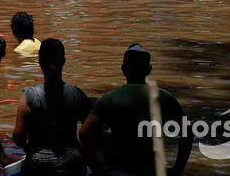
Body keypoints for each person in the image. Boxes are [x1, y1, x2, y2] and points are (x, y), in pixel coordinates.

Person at [79, 44, 193, 176]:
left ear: (123, 69)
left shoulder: (109, 98)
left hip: (119, 170)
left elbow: (84, 132)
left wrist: (96, 169)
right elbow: (188, 132)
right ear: (149, 70)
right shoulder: (165, 98)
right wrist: (177, 168)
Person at [12, 39, 91, 176]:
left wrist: (30, 149)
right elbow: (90, 130)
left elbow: (19, 137)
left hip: (38, 166)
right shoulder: (77, 95)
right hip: (72, 164)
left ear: (39, 62)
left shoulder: (28, 96)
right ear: (64, 61)